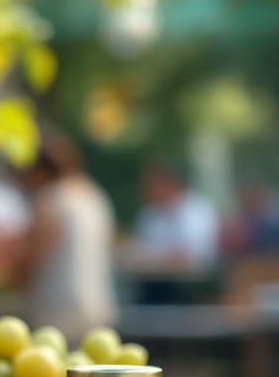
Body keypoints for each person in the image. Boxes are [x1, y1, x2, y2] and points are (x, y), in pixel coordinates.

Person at [15, 129, 119, 341]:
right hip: (98, 307)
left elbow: (32, 260)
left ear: (39, 172)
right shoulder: (93, 194)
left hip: (58, 313)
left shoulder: (50, 200)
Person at [127, 162, 220, 272]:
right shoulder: (147, 214)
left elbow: (190, 257)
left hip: (194, 282)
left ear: (170, 183)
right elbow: (134, 255)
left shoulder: (197, 210)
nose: (145, 191)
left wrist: (151, 258)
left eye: (152, 185)